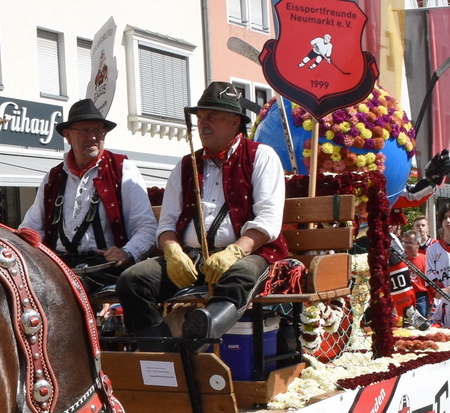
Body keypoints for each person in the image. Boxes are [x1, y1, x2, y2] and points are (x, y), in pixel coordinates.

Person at [117, 82, 285, 340]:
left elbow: (268, 219)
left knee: (239, 276)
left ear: (234, 122)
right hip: (190, 260)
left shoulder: (262, 156)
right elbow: (167, 224)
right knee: (133, 281)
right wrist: (172, 251)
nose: (203, 124)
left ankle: (199, 335)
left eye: (212, 117)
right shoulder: (185, 165)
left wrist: (235, 250)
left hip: (245, 256)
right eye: (200, 117)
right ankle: (162, 352)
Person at [21, 98, 157, 291]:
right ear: (67, 136)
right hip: (59, 266)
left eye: (99, 131)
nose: (93, 137)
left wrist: (126, 252)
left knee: (59, 290)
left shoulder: (123, 170)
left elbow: (147, 228)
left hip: (104, 268)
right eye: (85, 131)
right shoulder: (54, 177)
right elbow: (32, 228)